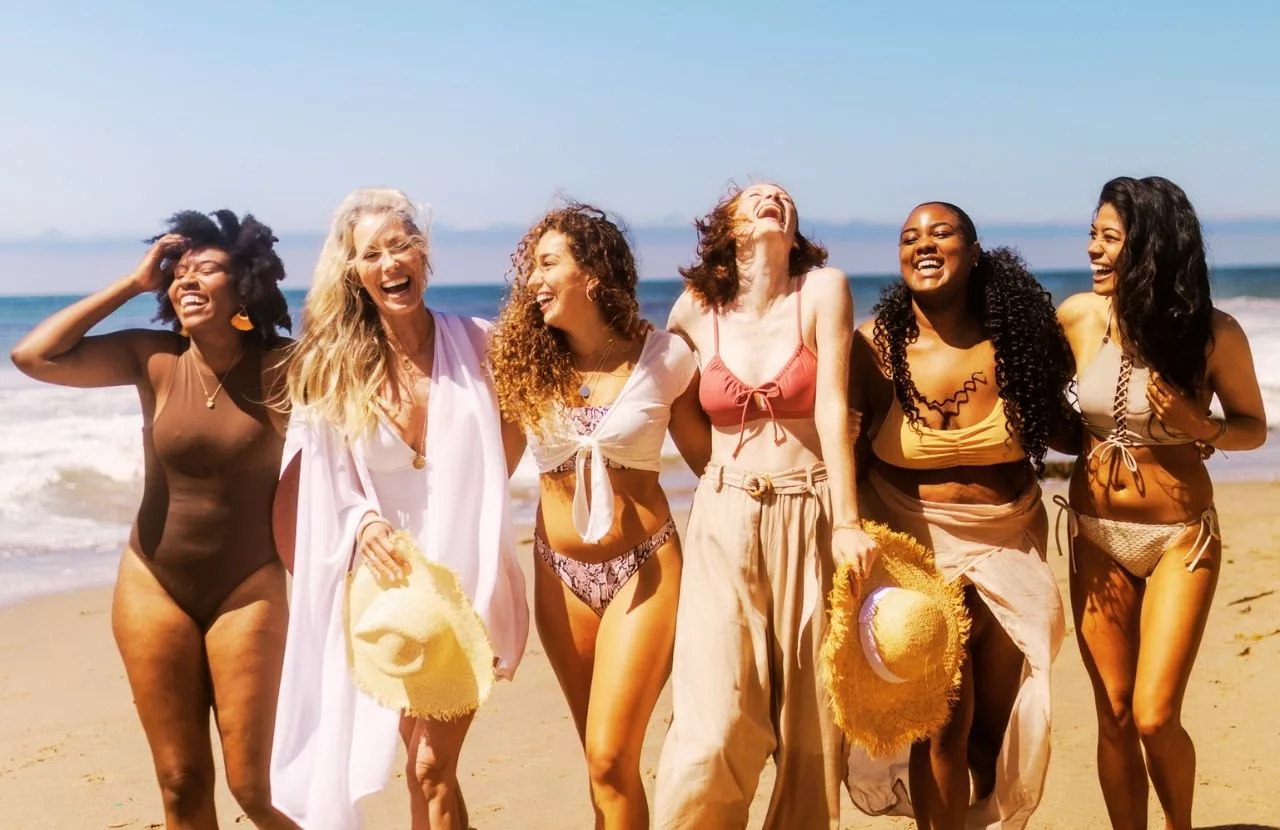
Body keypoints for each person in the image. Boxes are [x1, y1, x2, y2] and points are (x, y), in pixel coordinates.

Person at [10, 211, 297, 829]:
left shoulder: (286, 367)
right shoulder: (154, 358)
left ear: (244, 284)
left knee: (255, 790)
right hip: (153, 583)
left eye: (207, 270)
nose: (187, 281)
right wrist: (132, 284)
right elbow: (33, 355)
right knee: (181, 782)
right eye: (179, 273)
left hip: (248, 587)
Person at [269, 188, 529, 830]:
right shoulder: (336, 368)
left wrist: (481, 493)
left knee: (429, 767)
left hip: (465, 579)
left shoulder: (477, 342)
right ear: (353, 272)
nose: (390, 262)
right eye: (371, 253)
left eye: (401, 245)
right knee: (425, 766)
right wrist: (362, 522)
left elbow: (520, 422)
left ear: (424, 253)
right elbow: (317, 479)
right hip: (389, 590)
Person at [654, 182, 876, 830]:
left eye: (781, 195)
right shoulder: (695, 309)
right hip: (724, 524)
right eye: (753, 197)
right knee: (713, 727)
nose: (771, 197)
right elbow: (672, 403)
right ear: (725, 226)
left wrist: (848, 520)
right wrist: (719, 478)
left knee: (812, 731)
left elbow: (833, 404)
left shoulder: (823, 290)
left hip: (811, 516)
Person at [847, 201, 1076, 829]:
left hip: (1007, 543)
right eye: (909, 236)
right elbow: (839, 450)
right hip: (915, 551)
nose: (923, 244)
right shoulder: (874, 349)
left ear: (973, 252)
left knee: (990, 731)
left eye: (941, 233)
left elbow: (1073, 432)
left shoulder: (1019, 342)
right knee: (941, 721)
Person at [488, 202, 709, 828]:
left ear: (592, 273)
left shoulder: (666, 357)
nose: (533, 277)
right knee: (598, 763)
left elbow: (711, 468)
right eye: (531, 266)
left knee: (612, 756)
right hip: (559, 577)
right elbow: (488, 471)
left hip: (646, 569)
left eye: (548, 262)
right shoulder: (525, 367)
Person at [1056, 176, 1267, 830]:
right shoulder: (1076, 316)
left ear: (1148, 247)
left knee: (1153, 713)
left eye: (1109, 238)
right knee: (1114, 714)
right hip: (1095, 533)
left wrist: (1198, 425)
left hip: (1181, 537)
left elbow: (1253, 427)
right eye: (1092, 234)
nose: (1092, 249)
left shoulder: (1213, 334)